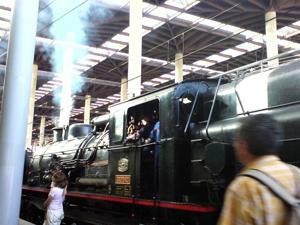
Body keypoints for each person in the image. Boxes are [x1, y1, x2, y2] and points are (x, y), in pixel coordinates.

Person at [218, 114, 299, 225]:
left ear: (243, 145)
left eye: (236, 140)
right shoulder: (296, 173)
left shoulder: (243, 187)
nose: (234, 145)